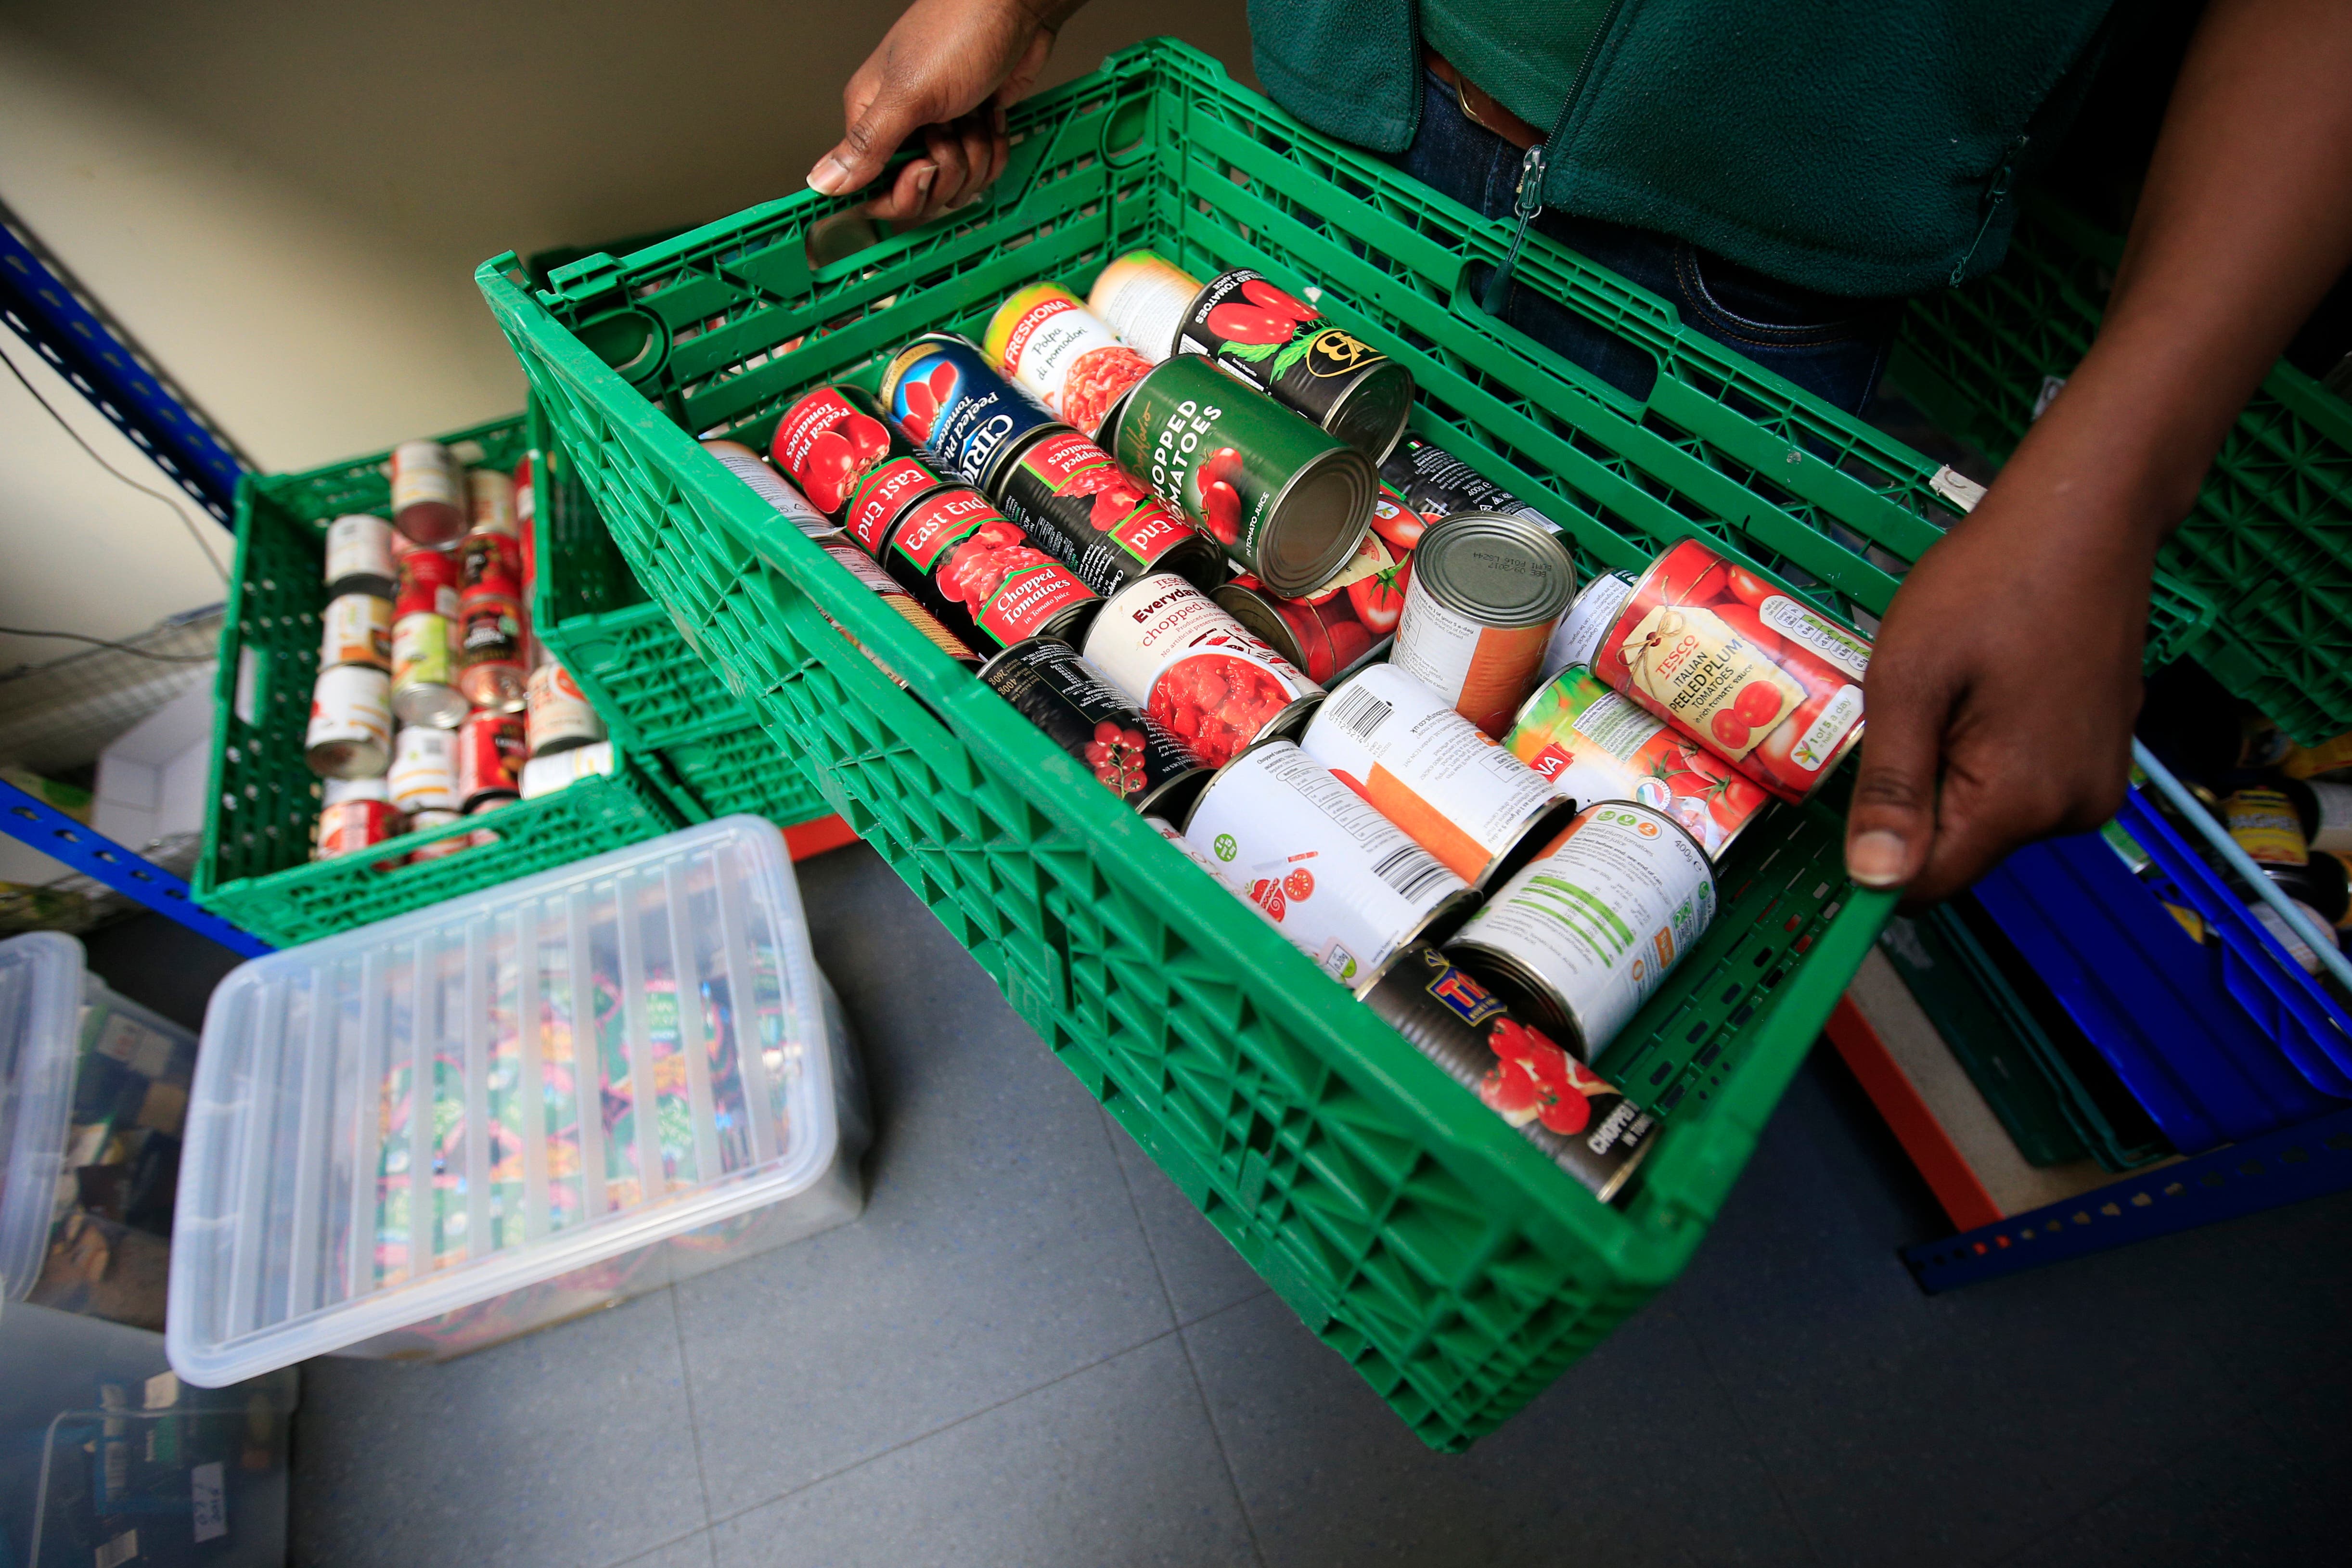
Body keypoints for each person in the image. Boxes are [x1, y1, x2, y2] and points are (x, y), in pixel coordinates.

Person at [805, 0, 2352, 905]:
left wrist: (2113, 489)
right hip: (1346, 114)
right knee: (1303, 629)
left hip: (1769, 268)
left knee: (1631, 763)